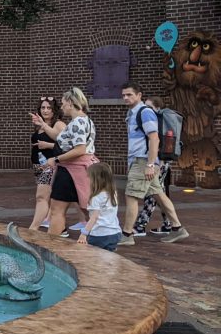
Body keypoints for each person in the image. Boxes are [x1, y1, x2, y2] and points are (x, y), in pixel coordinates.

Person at [118, 83, 188, 245]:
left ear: (139, 95)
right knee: (159, 195)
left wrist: (151, 164)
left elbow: (154, 138)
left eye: (129, 95)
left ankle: (127, 235)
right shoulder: (133, 113)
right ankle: (178, 229)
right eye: (123, 95)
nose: (125, 98)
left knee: (131, 196)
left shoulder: (145, 112)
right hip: (141, 161)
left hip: (142, 161)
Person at [35, 87, 98, 239]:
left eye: (63, 104)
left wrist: (55, 159)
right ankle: (100, 238)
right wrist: (43, 125)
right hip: (79, 169)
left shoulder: (77, 123)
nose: (61, 107)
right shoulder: (85, 121)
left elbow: (80, 149)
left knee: (57, 210)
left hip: (71, 171)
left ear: (70, 103)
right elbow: (60, 138)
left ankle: (52, 245)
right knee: (87, 207)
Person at [133, 96, 175, 236]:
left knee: (153, 194)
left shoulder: (158, 122)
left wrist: (157, 163)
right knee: (159, 193)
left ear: (158, 108)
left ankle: (140, 226)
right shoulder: (156, 121)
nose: (146, 109)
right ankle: (170, 225)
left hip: (160, 162)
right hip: (160, 161)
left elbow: (158, 142)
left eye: (150, 107)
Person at [28, 97, 64, 232]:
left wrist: (47, 145)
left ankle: (33, 229)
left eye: (49, 108)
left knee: (41, 197)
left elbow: (66, 145)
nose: (45, 110)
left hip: (51, 166)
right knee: (49, 198)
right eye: (43, 108)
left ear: (54, 110)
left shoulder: (58, 124)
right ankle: (61, 228)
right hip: (39, 167)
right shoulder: (40, 125)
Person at [77, 163, 123, 251]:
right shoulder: (113, 193)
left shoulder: (96, 197)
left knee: (95, 259)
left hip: (99, 234)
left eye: (89, 177)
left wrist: (84, 234)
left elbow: (94, 217)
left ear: (96, 180)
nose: (88, 180)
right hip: (114, 233)